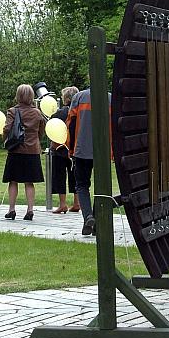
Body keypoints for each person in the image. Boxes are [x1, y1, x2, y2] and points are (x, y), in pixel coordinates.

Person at [66, 83, 111, 236]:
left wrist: (70, 149)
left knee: (82, 185)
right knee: (101, 189)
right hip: (103, 152)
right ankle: (96, 222)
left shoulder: (79, 97)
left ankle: (88, 217)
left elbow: (70, 125)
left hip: (82, 149)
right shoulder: (110, 98)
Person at [2, 84, 46, 221]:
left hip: (16, 150)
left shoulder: (12, 112)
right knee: (29, 182)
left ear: (18, 96)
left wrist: (5, 140)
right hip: (32, 151)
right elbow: (41, 131)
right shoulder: (38, 113)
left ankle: (12, 209)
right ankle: (30, 210)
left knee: (13, 181)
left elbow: (7, 129)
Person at [49, 86, 80, 214]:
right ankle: (77, 203)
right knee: (75, 175)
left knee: (60, 176)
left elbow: (51, 131)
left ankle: (62, 204)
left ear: (65, 98)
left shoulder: (57, 114)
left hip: (60, 149)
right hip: (76, 149)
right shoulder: (79, 113)